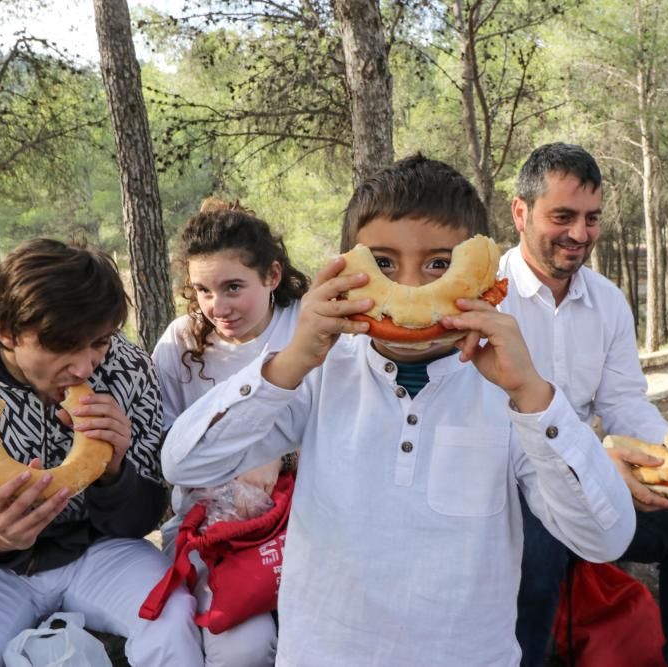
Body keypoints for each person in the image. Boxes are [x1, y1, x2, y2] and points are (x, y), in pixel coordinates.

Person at [161, 155, 635, 665]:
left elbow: (604, 537)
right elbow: (186, 464)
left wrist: (535, 398)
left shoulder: (510, 392)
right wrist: (291, 360)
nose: (410, 289)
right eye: (383, 265)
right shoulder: (319, 374)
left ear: (481, 277)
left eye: (438, 265)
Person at [0, 238, 201, 666]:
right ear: (5, 330)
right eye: (62, 347)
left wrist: (116, 473)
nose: (85, 368)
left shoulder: (128, 367)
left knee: (174, 626)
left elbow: (144, 518)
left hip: (100, 552)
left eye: (99, 342)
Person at [501, 143, 668, 667]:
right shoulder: (488, 296)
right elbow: (481, 424)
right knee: (537, 549)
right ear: (520, 212)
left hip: (593, 474)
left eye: (592, 218)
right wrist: (582, 462)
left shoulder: (606, 301)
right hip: (508, 480)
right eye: (563, 216)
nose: (580, 235)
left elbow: (625, 402)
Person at [152, 197, 308, 666]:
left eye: (233, 287)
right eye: (203, 290)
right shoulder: (181, 342)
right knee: (243, 647)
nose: (217, 307)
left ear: (272, 276)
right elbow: (167, 446)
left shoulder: (305, 326)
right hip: (213, 531)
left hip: (304, 520)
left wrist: (280, 460)